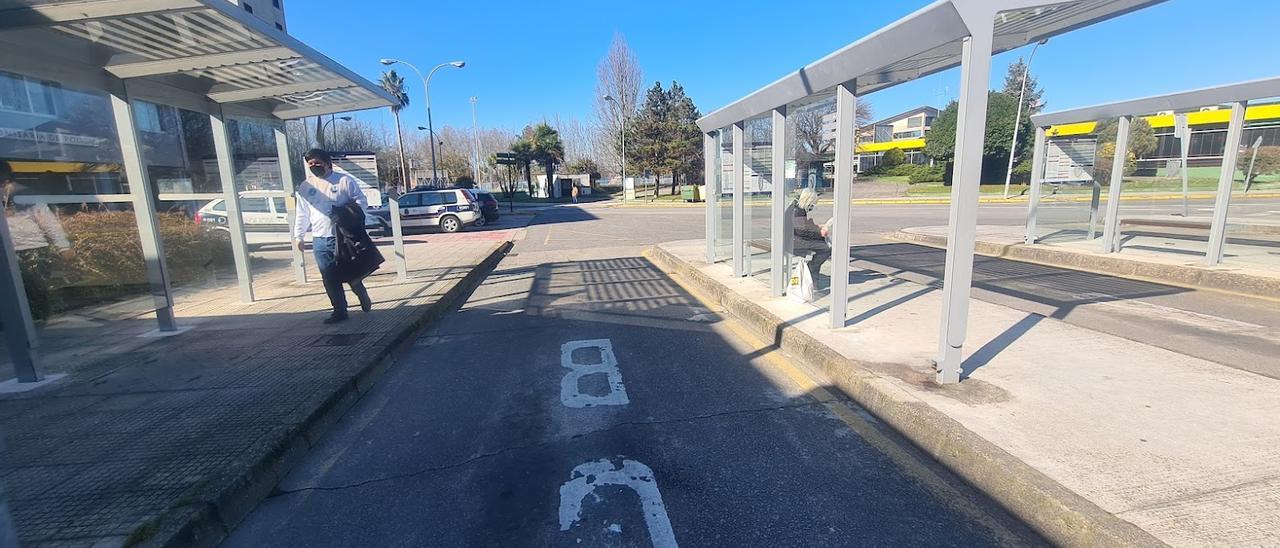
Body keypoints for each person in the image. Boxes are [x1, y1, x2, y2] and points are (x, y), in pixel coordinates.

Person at [294, 149, 372, 324]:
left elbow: (361, 201)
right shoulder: (306, 187)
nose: (314, 167)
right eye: (311, 164)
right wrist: (298, 236)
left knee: (350, 273)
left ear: (328, 163)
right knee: (328, 276)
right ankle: (340, 310)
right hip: (319, 239)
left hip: (342, 236)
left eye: (317, 163)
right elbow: (302, 213)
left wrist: (347, 214)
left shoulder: (344, 181)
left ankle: (361, 293)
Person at [2, 159, 74, 320]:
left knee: (35, 289)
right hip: (7, 251)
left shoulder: (23, 194)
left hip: (33, 248)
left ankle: (38, 322)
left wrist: (63, 246)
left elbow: (48, 222)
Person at [786, 187, 831, 287]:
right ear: (808, 201)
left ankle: (814, 277)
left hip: (792, 239)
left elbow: (802, 227)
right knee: (826, 249)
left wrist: (817, 228)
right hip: (794, 242)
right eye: (812, 203)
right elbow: (802, 231)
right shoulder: (798, 211)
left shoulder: (795, 207)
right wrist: (820, 232)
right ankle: (812, 269)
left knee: (821, 243)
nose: (812, 206)